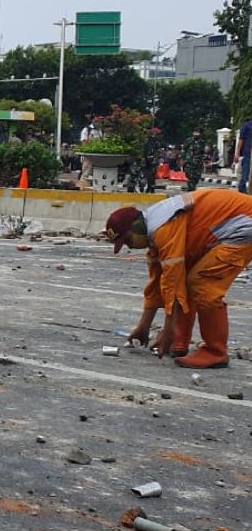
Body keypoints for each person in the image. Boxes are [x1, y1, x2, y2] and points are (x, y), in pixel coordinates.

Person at [108, 190, 252, 369]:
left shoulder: (163, 229)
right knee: (186, 277)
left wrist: (168, 330)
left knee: (202, 283)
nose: (129, 246)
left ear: (136, 227)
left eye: (128, 240)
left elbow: (172, 282)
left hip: (243, 225)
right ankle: (180, 341)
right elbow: (156, 284)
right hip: (236, 224)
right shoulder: (154, 233)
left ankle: (215, 352)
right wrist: (143, 327)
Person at [183, 127, 205, 192]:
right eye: (195, 132)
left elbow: (202, 152)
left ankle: (193, 187)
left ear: (200, 134)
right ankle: (190, 188)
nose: (196, 134)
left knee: (196, 177)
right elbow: (184, 149)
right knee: (189, 176)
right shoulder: (188, 140)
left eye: (197, 133)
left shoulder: (202, 142)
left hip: (198, 162)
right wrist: (183, 159)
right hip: (189, 162)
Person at [236, 116, 252, 193]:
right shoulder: (247, 125)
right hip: (248, 154)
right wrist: (237, 153)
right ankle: (242, 191)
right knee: (245, 175)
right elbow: (241, 140)